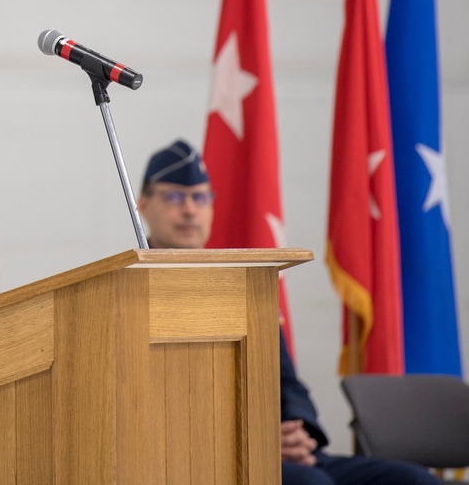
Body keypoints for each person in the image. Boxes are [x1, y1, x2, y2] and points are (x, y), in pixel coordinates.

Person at [138, 139, 440, 485]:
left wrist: (299, 432)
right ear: (143, 204)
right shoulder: (131, 293)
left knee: (415, 480)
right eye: (174, 197)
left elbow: (287, 383)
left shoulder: (245, 285)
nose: (190, 210)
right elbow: (162, 401)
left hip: (281, 451)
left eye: (200, 197)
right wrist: (258, 439)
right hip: (204, 457)